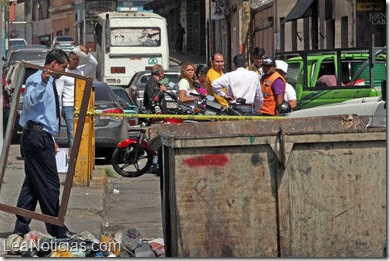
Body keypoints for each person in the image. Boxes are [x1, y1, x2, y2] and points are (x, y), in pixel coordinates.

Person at [14, 49, 75, 238]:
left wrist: (52, 139)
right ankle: (56, 227)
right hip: (36, 138)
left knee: (32, 184)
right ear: (53, 64)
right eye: (63, 67)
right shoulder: (37, 79)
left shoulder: (50, 82)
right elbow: (30, 102)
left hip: (42, 136)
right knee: (50, 184)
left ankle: (21, 226)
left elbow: (44, 114)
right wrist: (42, 81)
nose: (64, 71)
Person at [55, 45, 98, 149]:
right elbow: (58, 93)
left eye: (77, 59)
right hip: (68, 106)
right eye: (73, 59)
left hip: (81, 105)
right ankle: (74, 157)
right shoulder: (63, 73)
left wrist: (86, 53)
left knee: (82, 132)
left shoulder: (81, 71)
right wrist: (59, 109)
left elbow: (94, 63)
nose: (75, 61)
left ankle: (80, 154)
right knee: (72, 132)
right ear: (68, 60)